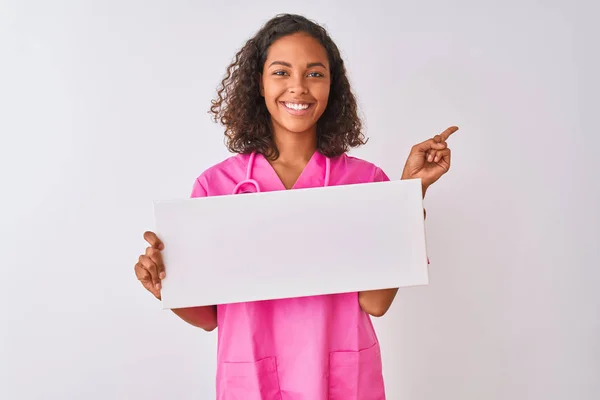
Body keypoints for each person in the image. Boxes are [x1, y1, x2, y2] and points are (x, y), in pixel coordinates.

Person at [134, 13, 457, 400]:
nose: (298, 88)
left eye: (315, 73)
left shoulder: (365, 182)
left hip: (341, 379)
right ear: (259, 83)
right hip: (251, 379)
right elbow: (208, 318)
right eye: (281, 72)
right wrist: (164, 287)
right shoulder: (216, 186)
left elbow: (375, 302)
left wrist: (410, 193)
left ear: (332, 86)